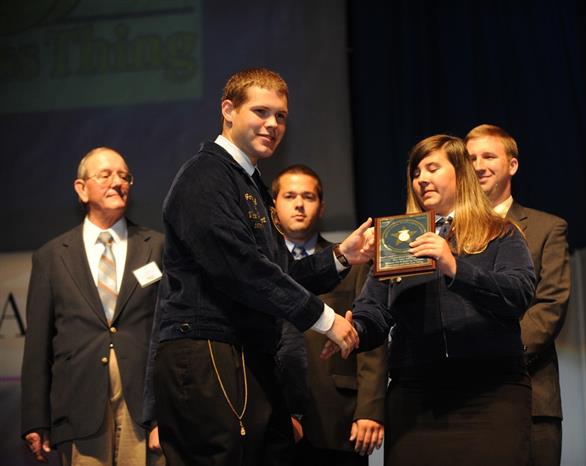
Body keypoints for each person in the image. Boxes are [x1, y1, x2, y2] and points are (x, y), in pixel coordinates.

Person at [151, 68, 372, 466]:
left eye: (281, 116)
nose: (273, 124)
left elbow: (280, 271)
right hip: (208, 352)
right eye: (261, 112)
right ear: (228, 110)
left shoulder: (249, 182)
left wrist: (341, 256)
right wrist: (326, 319)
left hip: (250, 352)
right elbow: (241, 269)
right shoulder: (205, 175)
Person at [347, 134, 536, 466]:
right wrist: (355, 330)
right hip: (415, 398)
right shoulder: (397, 240)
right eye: (416, 172)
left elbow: (517, 294)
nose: (421, 178)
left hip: (491, 394)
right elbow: (375, 310)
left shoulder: (499, 232)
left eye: (432, 168)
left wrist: (455, 267)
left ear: (460, 173)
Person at [21, 147, 165, 465]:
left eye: (124, 176)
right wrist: (35, 418)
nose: (118, 182)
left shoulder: (157, 248)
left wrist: (167, 412)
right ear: (81, 189)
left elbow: (169, 334)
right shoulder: (51, 256)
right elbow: (37, 345)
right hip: (78, 404)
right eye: (106, 175)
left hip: (143, 409)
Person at [465, 124, 570, 466]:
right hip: (462, 401)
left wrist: (497, 355)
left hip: (530, 395)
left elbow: (550, 305)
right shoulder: (447, 232)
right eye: (470, 159)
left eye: (488, 156)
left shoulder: (547, 228)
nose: (478, 166)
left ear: (512, 164)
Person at [271, 164, 388, 465]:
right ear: (273, 208)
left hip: (336, 413)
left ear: (321, 207)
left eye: (308, 196)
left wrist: (370, 409)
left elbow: (371, 338)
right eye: (290, 196)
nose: (299, 204)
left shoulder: (352, 261)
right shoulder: (259, 267)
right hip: (271, 412)